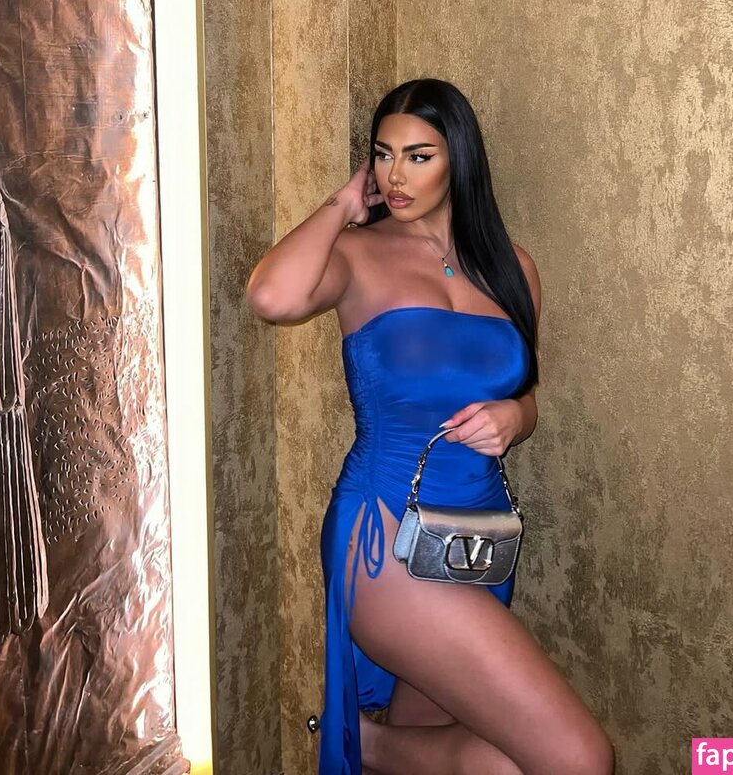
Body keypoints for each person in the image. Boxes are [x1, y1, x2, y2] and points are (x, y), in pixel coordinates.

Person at [247, 79, 613, 775]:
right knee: (580, 757)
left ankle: (380, 748)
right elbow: (271, 296)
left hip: (475, 538)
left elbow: (526, 398)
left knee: (488, 763)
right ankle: (368, 742)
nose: (395, 174)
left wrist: (514, 417)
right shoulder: (356, 254)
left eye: (418, 156)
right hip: (383, 535)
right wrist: (341, 205)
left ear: (459, 161)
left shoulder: (513, 268)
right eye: (383, 154)